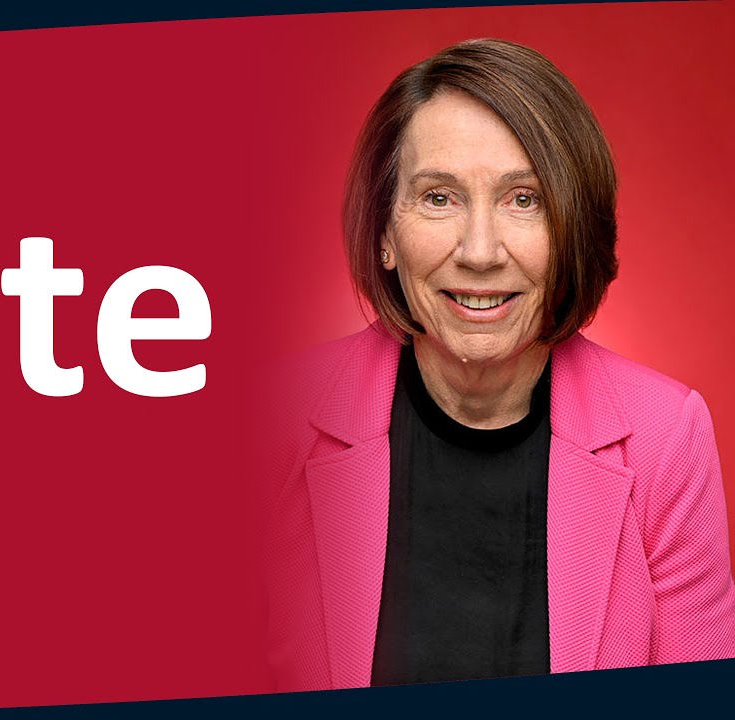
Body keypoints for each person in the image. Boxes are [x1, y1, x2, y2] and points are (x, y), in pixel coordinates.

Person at [264, 38, 735, 690]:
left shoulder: (665, 439)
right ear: (384, 234)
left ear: (575, 230)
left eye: (524, 199)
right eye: (438, 198)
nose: (480, 252)